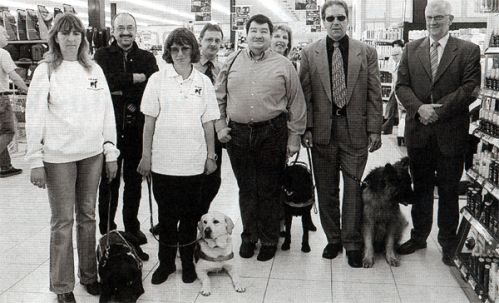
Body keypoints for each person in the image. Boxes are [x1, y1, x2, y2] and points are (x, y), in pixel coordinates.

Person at [25, 13, 119, 303]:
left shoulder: (93, 69)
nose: (70, 38)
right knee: (63, 220)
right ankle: (62, 286)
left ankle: (89, 276)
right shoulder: (45, 71)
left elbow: (106, 112)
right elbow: (34, 117)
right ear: (55, 37)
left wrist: (110, 149)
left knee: (88, 217)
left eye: (75, 33)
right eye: (64, 33)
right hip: (58, 158)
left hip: (91, 154)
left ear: (83, 38)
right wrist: (35, 160)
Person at [395, 0, 481, 266]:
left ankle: (447, 241)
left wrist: (437, 111)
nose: (433, 23)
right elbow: (401, 86)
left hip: (450, 134)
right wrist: (420, 108)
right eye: (429, 17)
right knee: (420, 188)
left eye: (439, 18)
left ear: (450, 19)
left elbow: (469, 88)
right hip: (419, 132)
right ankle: (419, 236)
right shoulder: (411, 49)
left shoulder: (468, 50)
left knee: (448, 190)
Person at [216, 14, 307, 262]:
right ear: (246, 34)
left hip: (272, 132)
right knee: (246, 188)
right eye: (254, 30)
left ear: (270, 35)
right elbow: (219, 97)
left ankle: (268, 239)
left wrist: (294, 137)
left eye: (263, 31)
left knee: (269, 188)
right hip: (238, 135)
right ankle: (249, 237)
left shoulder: (284, 65)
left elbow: (296, 102)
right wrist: (221, 126)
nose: (258, 35)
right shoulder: (231, 61)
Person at [299, 0, 383, 268]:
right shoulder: (309, 53)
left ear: (348, 20)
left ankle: (352, 243)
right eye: (330, 18)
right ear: (323, 21)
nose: (336, 22)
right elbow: (306, 96)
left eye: (341, 17)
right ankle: (333, 239)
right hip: (322, 133)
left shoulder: (366, 52)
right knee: (326, 190)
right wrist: (307, 128)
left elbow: (374, 93)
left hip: (355, 132)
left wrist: (375, 129)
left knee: (353, 189)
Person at [137, 27, 219, 285]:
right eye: (175, 49)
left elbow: (208, 123)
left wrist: (211, 155)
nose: (180, 54)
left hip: (194, 164)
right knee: (167, 218)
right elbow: (148, 123)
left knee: (190, 218)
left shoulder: (203, 83)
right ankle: (166, 264)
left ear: (193, 51)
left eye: (185, 49)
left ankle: (188, 264)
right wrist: (146, 157)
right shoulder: (156, 80)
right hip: (163, 164)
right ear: (168, 52)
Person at [94, 12, 158, 243]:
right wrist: (133, 79)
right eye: (120, 28)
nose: (125, 32)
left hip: (136, 130)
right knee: (108, 182)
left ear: (136, 29)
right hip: (109, 132)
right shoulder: (101, 55)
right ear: (113, 31)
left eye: (130, 27)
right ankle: (108, 230)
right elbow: (103, 83)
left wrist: (120, 88)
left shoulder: (147, 57)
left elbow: (152, 88)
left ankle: (131, 227)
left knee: (134, 182)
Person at [271, 24, 317, 233]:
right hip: (262, 130)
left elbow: (297, 101)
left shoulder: (291, 66)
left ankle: (280, 219)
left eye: (284, 37)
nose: (280, 40)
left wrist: (296, 133)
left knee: (282, 177)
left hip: (283, 129)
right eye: (276, 36)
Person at [0, 25, 28, 178]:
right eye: (4, 34)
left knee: (0, 133)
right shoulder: (2, 53)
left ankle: (5, 167)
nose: (8, 37)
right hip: (0, 98)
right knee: (9, 131)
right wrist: (27, 90)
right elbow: (14, 76)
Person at [381, 39, 404, 135]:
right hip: (395, 88)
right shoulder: (393, 61)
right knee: (391, 107)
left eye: (396, 55)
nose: (394, 57)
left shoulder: (404, 63)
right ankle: (387, 128)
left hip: (402, 90)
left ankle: (388, 128)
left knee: (393, 107)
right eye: (392, 55)